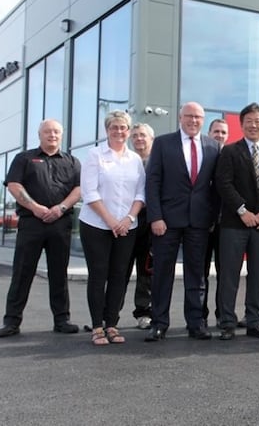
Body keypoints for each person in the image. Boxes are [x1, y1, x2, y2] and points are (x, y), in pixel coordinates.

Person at [0, 120, 81, 338]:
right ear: (39, 134)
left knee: (58, 273)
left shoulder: (72, 161)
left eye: (56, 131)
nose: (52, 135)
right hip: (31, 224)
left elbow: (79, 189)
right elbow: (14, 185)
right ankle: (11, 322)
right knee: (22, 272)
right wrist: (35, 207)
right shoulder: (24, 158)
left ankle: (62, 320)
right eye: (47, 131)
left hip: (60, 223)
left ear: (61, 135)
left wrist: (60, 208)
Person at [144, 101, 220, 341]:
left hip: (199, 222)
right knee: (162, 275)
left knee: (196, 276)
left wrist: (212, 217)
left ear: (203, 119)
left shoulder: (213, 146)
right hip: (166, 222)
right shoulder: (163, 143)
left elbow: (216, 187)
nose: (193, 120)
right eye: (189, 116)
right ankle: (159, 323)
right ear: (180, 118)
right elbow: (153, 182)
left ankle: (196, 324)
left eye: (198, 117)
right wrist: (155, 216)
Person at [79, 111, 146, 345]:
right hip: (96, 225)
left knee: (119, 275)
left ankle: (112, 324)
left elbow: (140, 193)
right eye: (114, 127)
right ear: (107, 130)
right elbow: (90, 192)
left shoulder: (135, 159)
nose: (119, 131)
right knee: (99, 275)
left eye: (123, 128)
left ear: (128, 131)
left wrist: (128, 219)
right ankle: (97, 326)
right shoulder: (95, 154)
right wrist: (111, 221)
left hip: (127, 226)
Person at [214, 104, 259, 340]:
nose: (253, 125)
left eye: (258, 121)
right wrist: (243, 210)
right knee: (230, 275)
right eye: (249, 121)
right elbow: (223, 183)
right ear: (241, 124)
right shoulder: (230, 152)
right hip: (234, 223)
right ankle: (228, 322)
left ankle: (254, 321)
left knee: (257, 276)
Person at [126, 122, 154, 329]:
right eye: (134, 135)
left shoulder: (159, 161)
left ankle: (144, 313)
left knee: (146, 272)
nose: (138, 139)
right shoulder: (126, 161)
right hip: (126, 222)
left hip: (150, 223)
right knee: (119, 270)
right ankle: (109, 316)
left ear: (151, 138)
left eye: (142, 135)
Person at [202, 118, 229, 326]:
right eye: (216, 131)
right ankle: (199, 316)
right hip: (202, 224)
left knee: (225, 273)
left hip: (226, 225)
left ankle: (222, 315)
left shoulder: (230, 156)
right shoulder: (201, 156)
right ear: (209, 133)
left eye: (223, 132)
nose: (219, 135)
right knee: (200, 273)